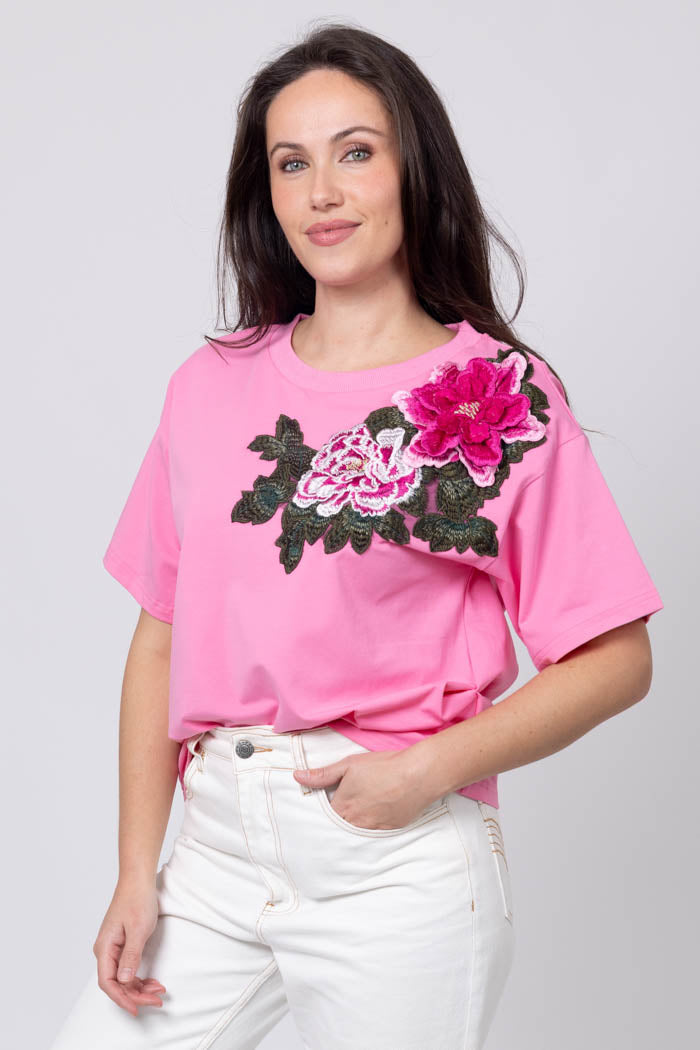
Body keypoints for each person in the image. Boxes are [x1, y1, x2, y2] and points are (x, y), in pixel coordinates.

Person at [49, 20, 664, 1050]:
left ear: (414, 168)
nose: (322, 193)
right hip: (216, 849)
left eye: (356, 152)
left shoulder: (497, 398)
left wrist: (423, 772)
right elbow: (161, 634)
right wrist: (134, 872)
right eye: (292, 163)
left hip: (395, 859)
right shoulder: (211, 386)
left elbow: (616, 656)